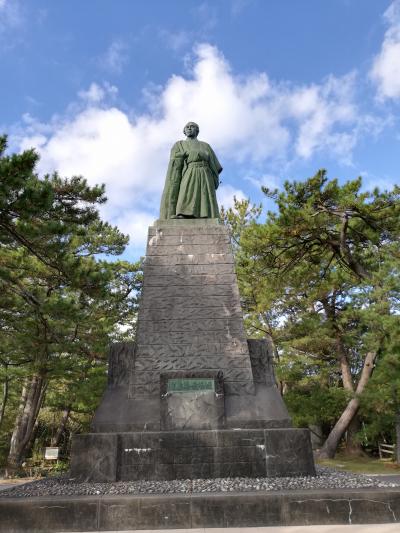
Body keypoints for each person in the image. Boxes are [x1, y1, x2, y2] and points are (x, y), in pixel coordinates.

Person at [159, 122, 222, 219]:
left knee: (205, 194)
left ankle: (205, 215)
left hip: (205, 173)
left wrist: (202, 155)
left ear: (197, 131)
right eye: (187, 127)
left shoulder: (206, 145)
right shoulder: (179, 144)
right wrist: (185, 154)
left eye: (192, 127)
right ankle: (183, 213)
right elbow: (175, 159)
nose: (189, 128)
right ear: (184, 131)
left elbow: (214, 164)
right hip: (189, 171)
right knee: (186, 192)